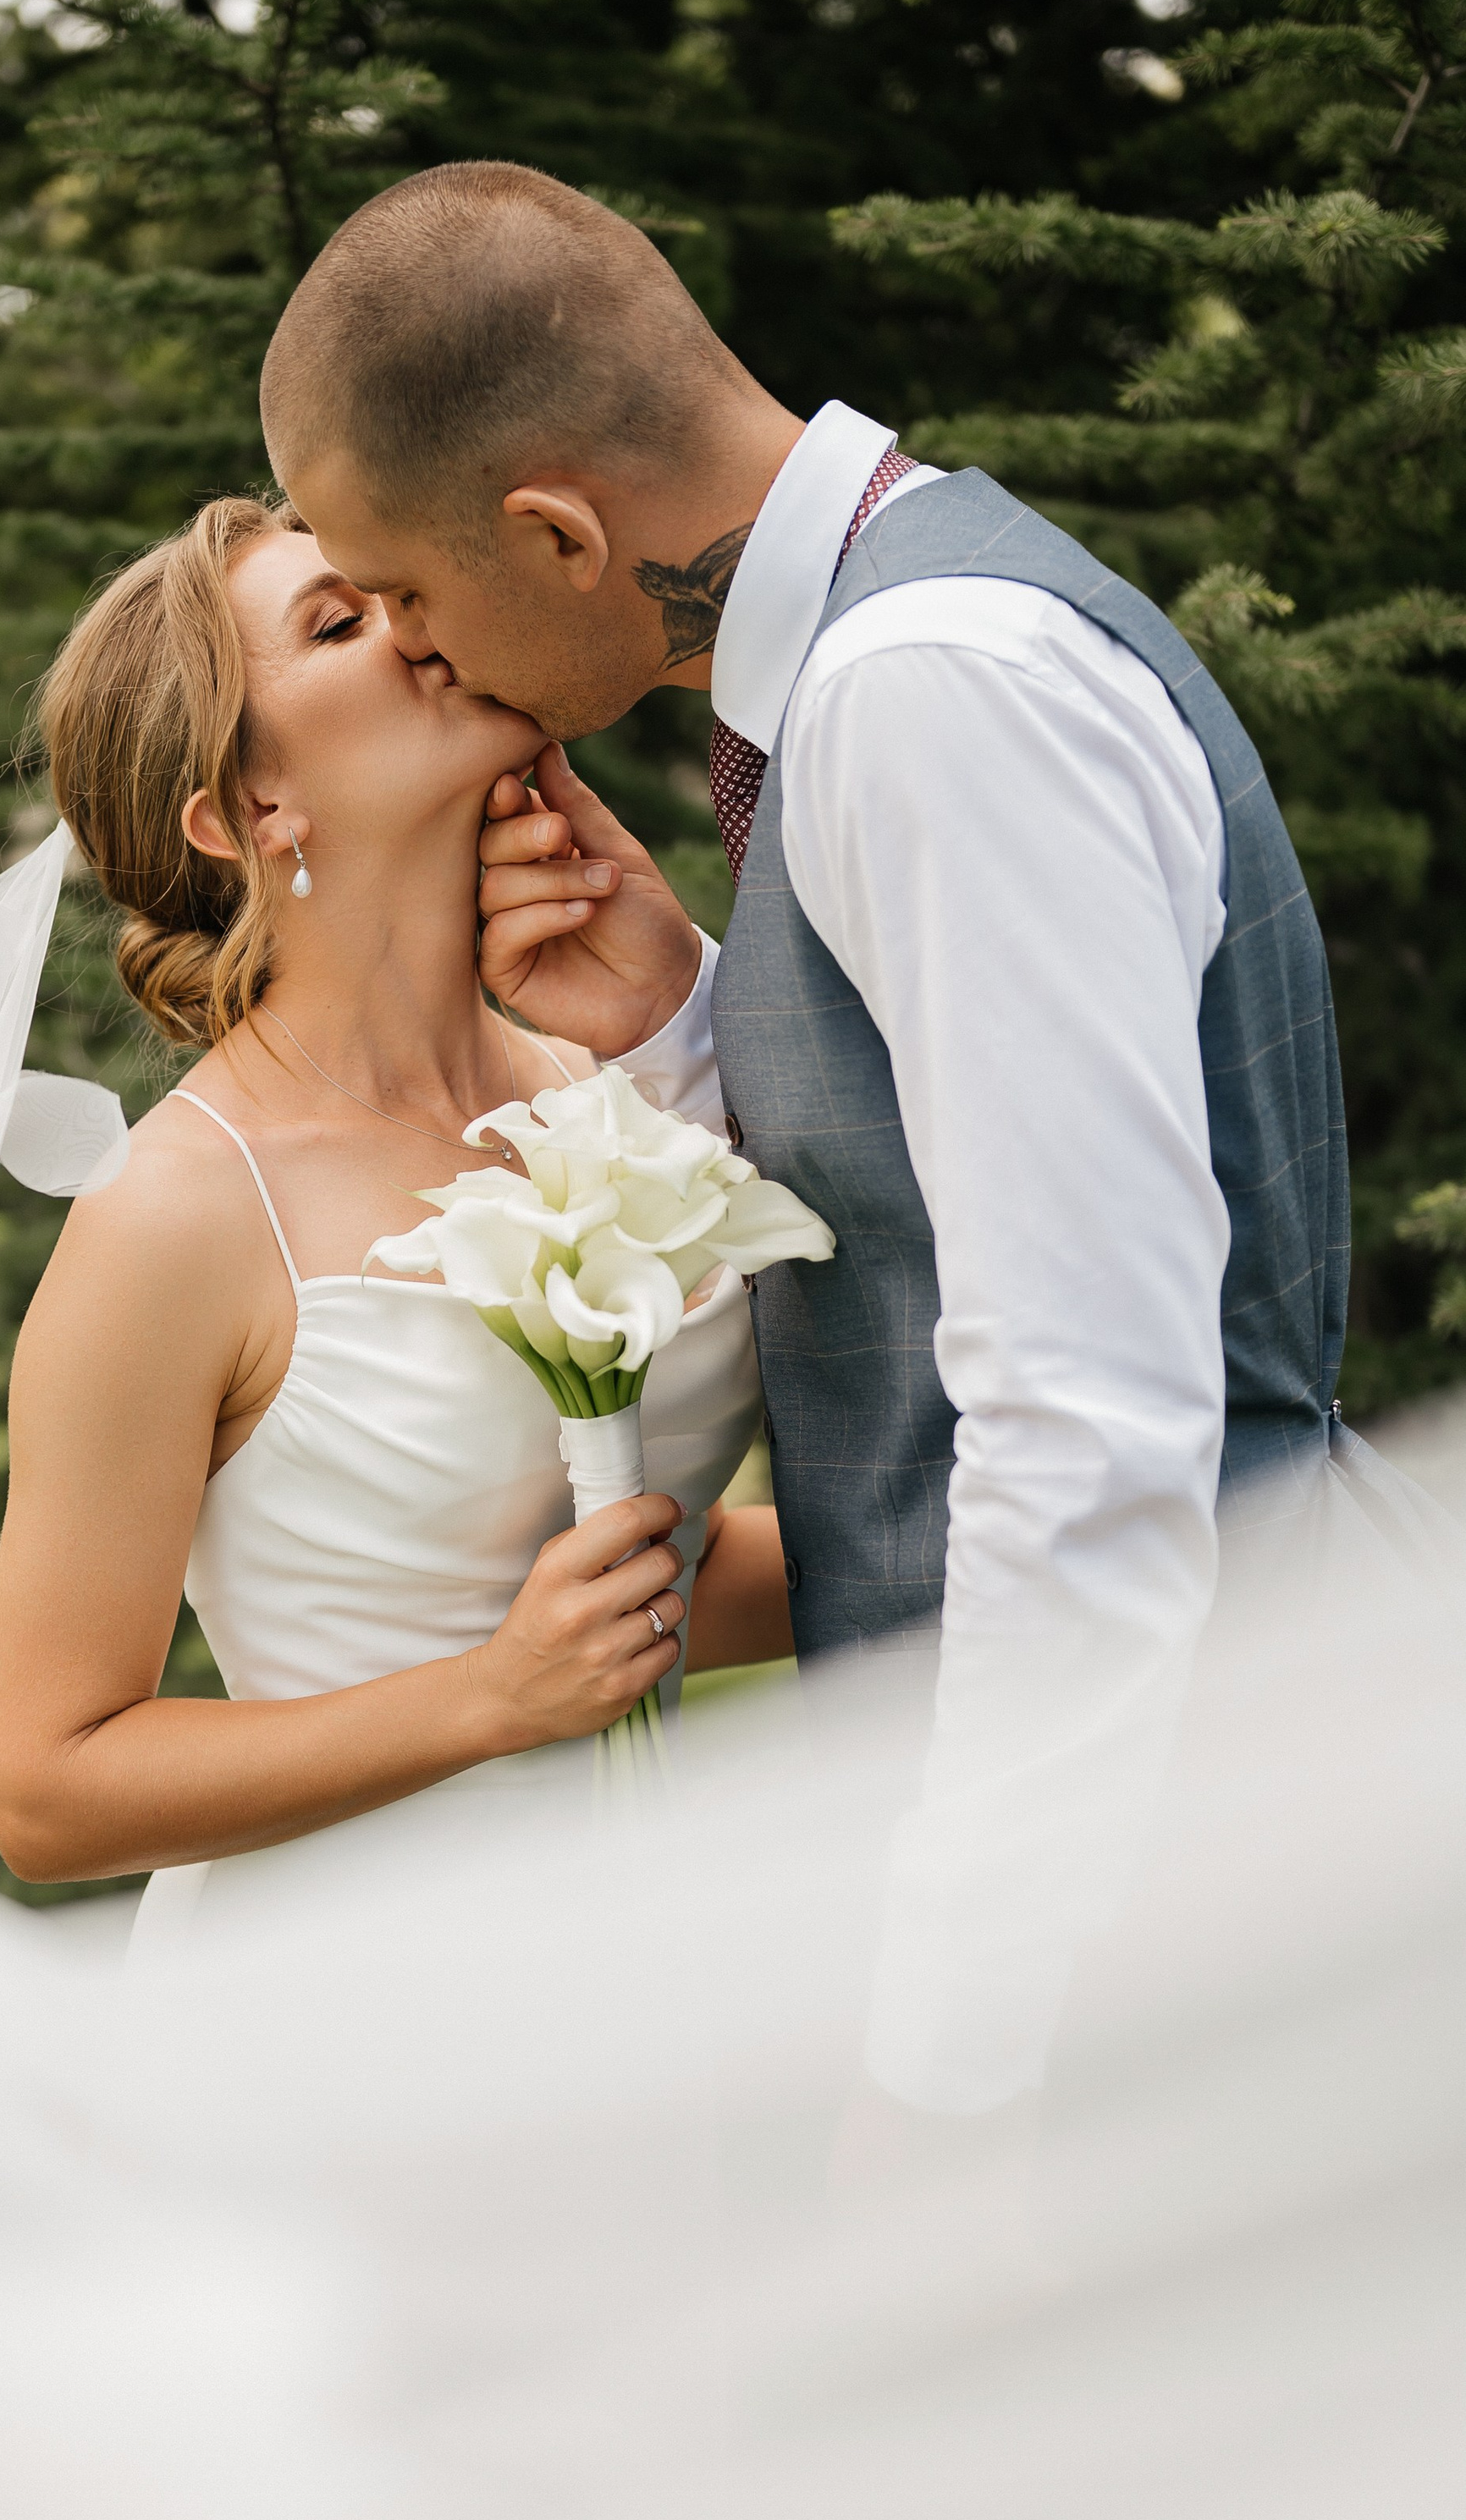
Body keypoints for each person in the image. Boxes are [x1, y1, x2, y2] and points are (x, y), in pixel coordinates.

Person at [259, 159, 1360, 2105]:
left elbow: (1081, 1414)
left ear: (554, 529)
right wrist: (694, 1006)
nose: (429, 660)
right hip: (1162, 1829)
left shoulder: (928, 693)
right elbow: (962, 1191)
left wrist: (958, 2038)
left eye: (415, 595)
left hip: (1181, 1866)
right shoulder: (891, 659)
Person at [0, 496, 796, 1898]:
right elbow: (48, 1789)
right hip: (346, 2016)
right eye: (341, 623)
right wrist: (491, 1697)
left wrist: (1053, 1513)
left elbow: (652, 1564)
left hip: (659, 1957)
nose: (418, 627)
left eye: (393, 591)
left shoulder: (604, 1090)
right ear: (250, 812)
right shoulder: (174, 1214)